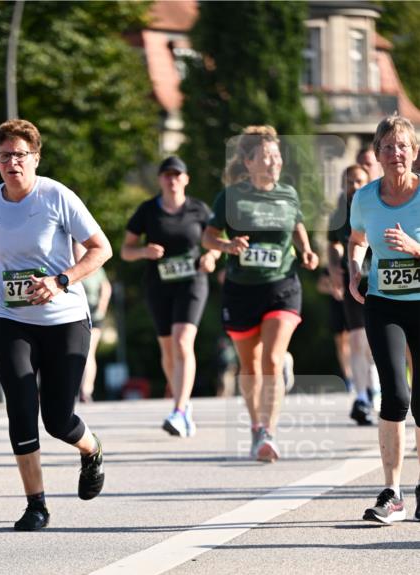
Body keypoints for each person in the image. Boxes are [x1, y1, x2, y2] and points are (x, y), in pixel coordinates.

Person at [0, 119, 112, 532]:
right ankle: (36, 505)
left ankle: (91, 449)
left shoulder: (56, 196)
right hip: (11, 318)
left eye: (20, 155)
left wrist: (61, 280)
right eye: (4, 156)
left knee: (57, 419)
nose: (12, 162)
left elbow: (101, 249)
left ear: (35, 158)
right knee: (20, 408)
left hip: (65, 318)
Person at [202, 126, 319, 461]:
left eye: (277, 156)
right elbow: (209, 237)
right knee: (250, 366)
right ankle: (256, 427)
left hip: (282, 285)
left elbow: (297, 224)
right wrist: (227, 245)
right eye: (265, 157)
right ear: (249, 162)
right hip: (241, 291)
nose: (273, 162)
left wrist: (307, 250)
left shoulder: (289, 194)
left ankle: (269, 430)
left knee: (270, 359)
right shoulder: (231, 196)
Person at [348, 114, 420, 524]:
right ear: (376, 154)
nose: (396, 154)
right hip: (384, 303)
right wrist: (355, 268)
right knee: (395, 395)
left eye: (403, 146)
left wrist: (414, 247)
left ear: (415, 152)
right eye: (388, 147)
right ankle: (392, 492)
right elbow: (356, 239)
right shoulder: (364, 198)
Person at [121, 155, 219, 437]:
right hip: (158, 285)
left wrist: (211, 256)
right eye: (167, 174)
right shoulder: (147, 211)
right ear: (160, 179)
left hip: (192, 282)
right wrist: (143, 252)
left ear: (186, 179)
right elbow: (125, 250)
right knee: (167, 349)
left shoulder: (199, 209)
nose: (172, 179)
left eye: (177, 174)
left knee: (182, 340)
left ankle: (178, 409)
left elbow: (216, 241)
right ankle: (184, 407)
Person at [328, 164, 375, 424]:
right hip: (353, 282)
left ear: (368, 181)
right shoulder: (340, 213)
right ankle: (362, 398)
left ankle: (377, 388)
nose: (354, 186)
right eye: (349, 182)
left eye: (359, 181)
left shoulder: (379, 204)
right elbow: (333, 242)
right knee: (357, 341)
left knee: (377, 343)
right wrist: (335, 268)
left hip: (382, 282)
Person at [79, 260, 111, 403]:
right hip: (74, 313)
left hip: (93, 314)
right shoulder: (67, 262)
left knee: (89, 352)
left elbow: (106, 287)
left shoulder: (95, 266)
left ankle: (86, 391)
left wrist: (102, 307)